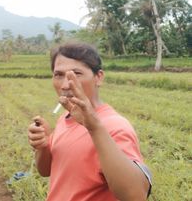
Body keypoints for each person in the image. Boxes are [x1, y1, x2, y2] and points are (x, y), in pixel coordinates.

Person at [27, 42, 152, 201]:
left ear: (98, 77)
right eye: (58, 75)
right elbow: (46, 171)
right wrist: (43, 146)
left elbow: (135, 195)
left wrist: (94, 128)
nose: (65, 85)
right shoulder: (64, 119)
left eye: (76, 74)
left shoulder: (115, 127)